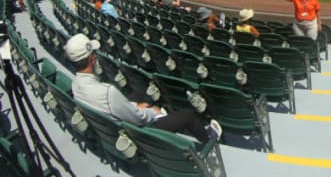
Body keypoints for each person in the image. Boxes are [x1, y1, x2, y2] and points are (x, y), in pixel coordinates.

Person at [65, 33, 222, 143]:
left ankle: (155, 111)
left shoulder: (75, 85)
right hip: (139, 134)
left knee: (138, 93)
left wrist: (133, 106)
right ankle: (209, 139)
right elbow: (140, 119)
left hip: (111, 123)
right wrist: (153, 112)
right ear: (92, 59)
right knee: (188, 115)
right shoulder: (108, 92)